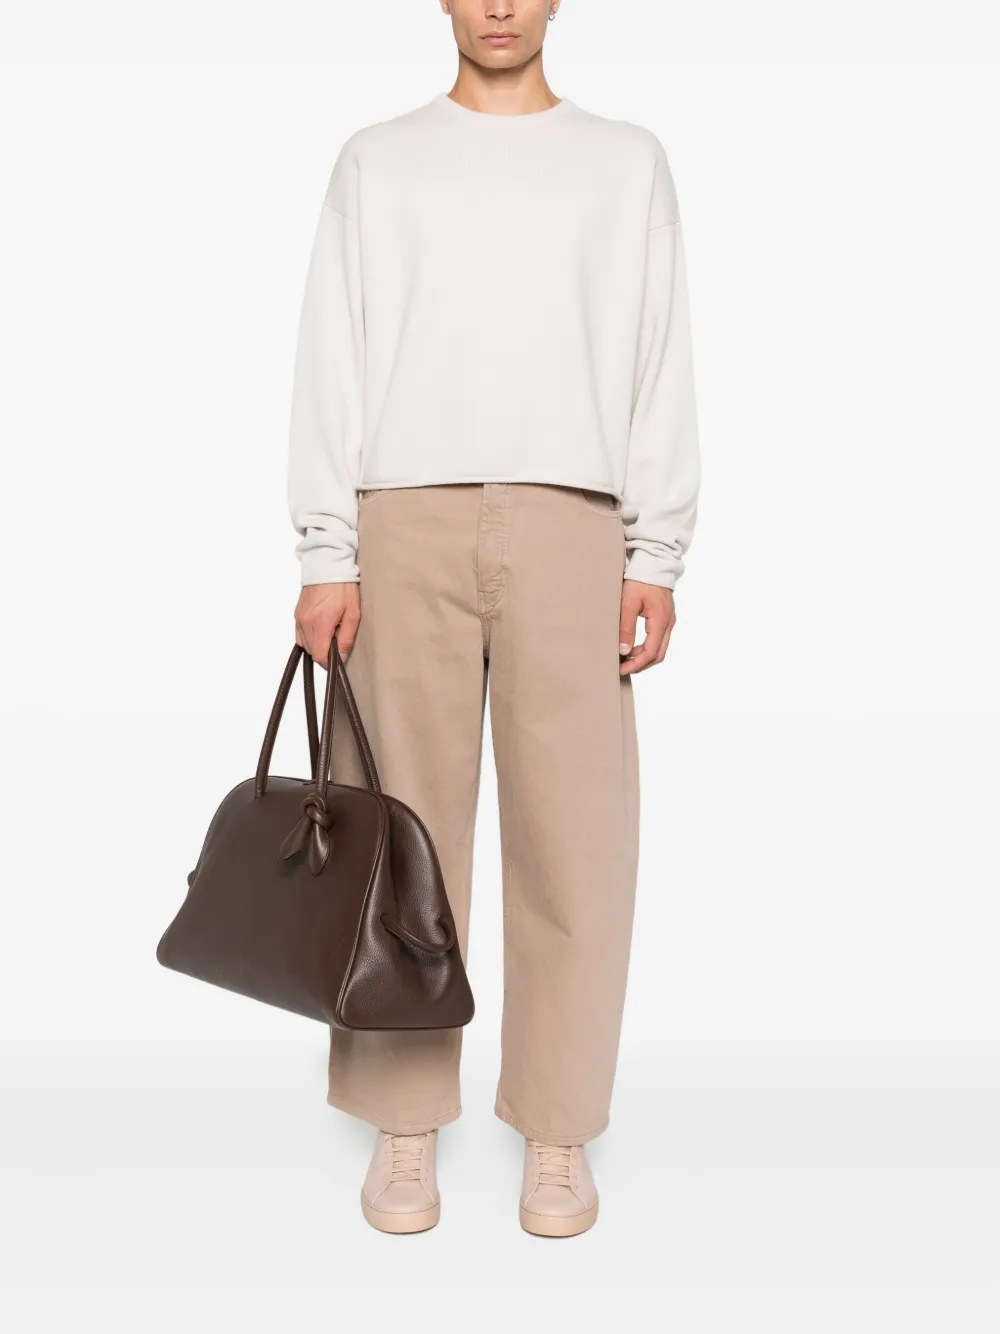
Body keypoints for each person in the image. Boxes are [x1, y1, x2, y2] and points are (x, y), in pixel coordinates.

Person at [287, 0, 699, 1238]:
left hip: (574, 518)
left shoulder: (624, 161)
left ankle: (557, 1127)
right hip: (401, 517)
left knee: (577, 841)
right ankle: (403, 1118)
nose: (501, 5)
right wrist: (326, 548)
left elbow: (658, 354)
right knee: (399, 841)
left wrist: (655, 549)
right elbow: (332, 354)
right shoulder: (378, 159)